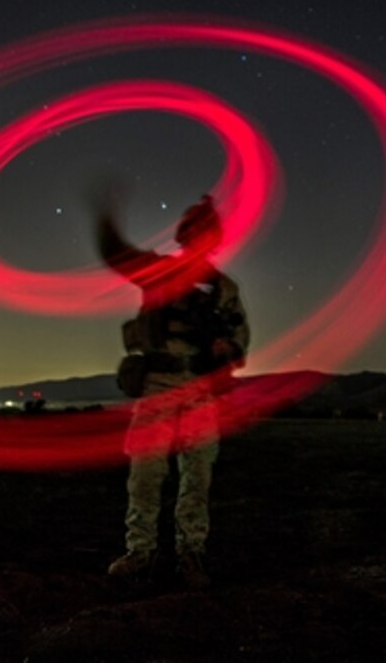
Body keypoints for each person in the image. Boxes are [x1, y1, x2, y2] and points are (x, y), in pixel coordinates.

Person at [96, 192, 249, 589]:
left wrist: (226, 348)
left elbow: (239, 335)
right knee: (145, 475)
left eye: (207, 233)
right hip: (158, 387)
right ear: (184, 236)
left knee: (196, 477)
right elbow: (119, 258)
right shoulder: (159, 272)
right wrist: (106, 221)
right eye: (195, 232)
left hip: (201, 390)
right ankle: (140, 552)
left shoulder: (223, 290)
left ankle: (190, 552)